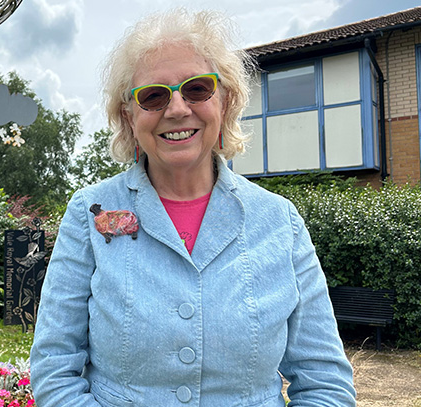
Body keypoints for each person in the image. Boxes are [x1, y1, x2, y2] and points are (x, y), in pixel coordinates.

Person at [29, 8, 356, 407]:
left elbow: (325, 382)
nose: (178, 109)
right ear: (128, 117)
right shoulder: (88, 212)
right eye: (153, 96)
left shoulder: (279, 221)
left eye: (197, 89)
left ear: (226, 100)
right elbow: (54, 367)